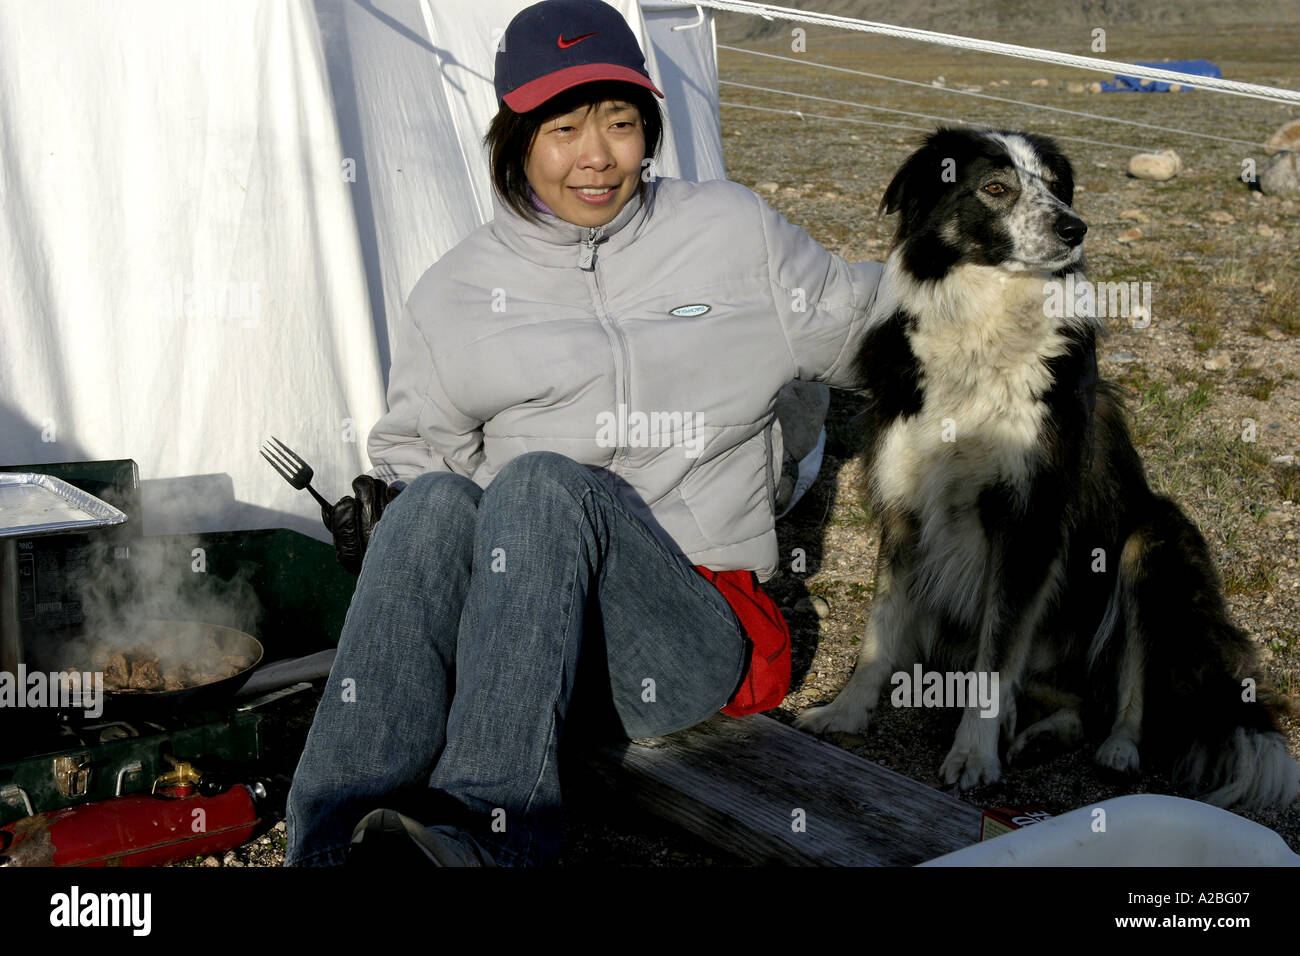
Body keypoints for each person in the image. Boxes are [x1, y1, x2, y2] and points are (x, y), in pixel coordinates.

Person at [285, 0, 882, 867]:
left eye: (621, 124)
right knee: (434, 504)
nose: (596, 157)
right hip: (521, 643)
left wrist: (996, 293)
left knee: (537, 483)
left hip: (679, 629)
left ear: (649, 129)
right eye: (563, 127)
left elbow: (872, 323)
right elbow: (419, 458)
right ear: (516, 138)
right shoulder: (457, 290)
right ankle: (333, 838)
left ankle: (492, 834)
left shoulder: (729, 233)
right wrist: (387, 516)